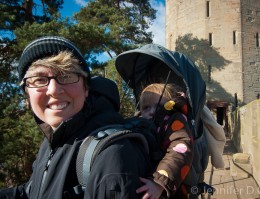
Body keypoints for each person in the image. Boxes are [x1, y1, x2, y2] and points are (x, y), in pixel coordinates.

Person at [0, 36, 151, 199]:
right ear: (27, 94)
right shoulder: (51, 141)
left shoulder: (113, 154)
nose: (53, 90)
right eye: (39, 80)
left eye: (66, 76)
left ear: (86, 88)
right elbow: (35, 189)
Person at [136, 83, 193, 199]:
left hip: (169, 185)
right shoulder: (140, 124)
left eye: (158, 106)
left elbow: (180, 149)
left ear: (168, 105)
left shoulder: (173, 119)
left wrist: (160, 182)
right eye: (146, 107)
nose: (151, 111)